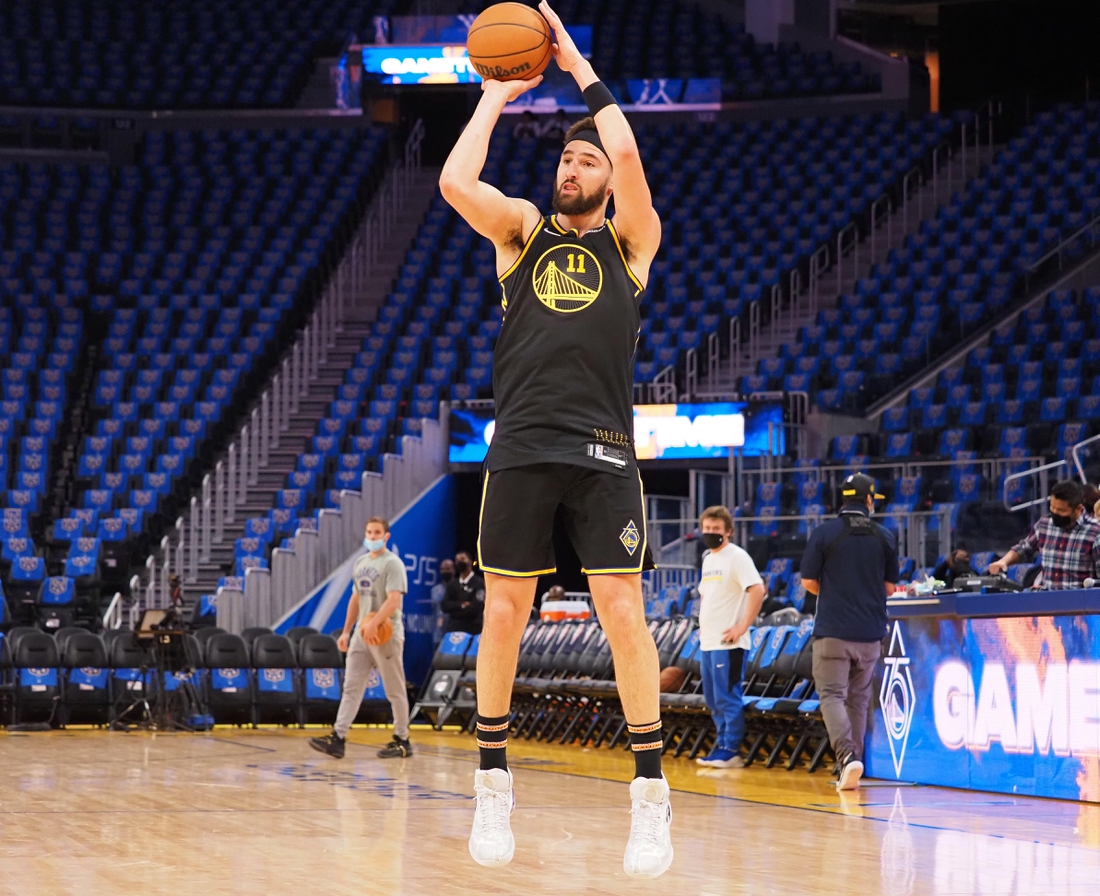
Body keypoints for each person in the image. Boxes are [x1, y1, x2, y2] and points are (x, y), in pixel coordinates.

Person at [439, 1, 668, 877]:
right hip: (524, 444)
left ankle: (650, 796)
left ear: (606, 176)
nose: (572, 167)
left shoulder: (632, 243)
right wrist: (496, 97)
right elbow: (459, 184)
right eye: (566, 158)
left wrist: (579, 70)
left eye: (586, 159)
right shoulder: (522, 232)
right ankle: (492, 781)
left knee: (623, 615)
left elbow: (634, 153)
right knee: (506, 610)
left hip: (606, 448)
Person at [799, 473, 899, 792]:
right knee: (858, 699)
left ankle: (846, 757)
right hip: (870, 633)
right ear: (869, 501)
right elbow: (890, 587)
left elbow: (808, 582)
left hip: (833, 631)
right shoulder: (885, 536)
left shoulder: (825, 533)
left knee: (832, 695)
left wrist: (836, 593)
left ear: (842, 500)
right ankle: (857, 763)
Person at [309, 517, 412, 760]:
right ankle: (338, 737)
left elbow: (394, 600)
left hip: (386, 633)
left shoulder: (393, 564)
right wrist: (347, 631)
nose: (373, 537)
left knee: (394, 689)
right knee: (351, 687)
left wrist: (375, 624)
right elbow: (355, 600)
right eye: (369, 532)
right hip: (362, 634)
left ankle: (403, 740)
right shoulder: (360, 563)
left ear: (386, 536)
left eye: (377, 533)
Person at [694, 506, 765, 769]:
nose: (711, 533)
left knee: (727, 696)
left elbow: (757, 589)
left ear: (729, 532)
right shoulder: (708, 558)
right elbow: (706, 594)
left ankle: (731, 749)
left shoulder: (737, 557)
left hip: (730, 642)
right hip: (709, 641)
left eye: (716, 529)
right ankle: (720, 745)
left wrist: (743, 626)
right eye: (707, 529)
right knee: (712, 699)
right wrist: (703, 624)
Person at [988, 479, 1100, 590]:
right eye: (1052, 507)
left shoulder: (1095, 532)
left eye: (1061, 510)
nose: (1055, 512)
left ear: (1079, 509)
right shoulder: (1044, 525)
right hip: (1046, 602)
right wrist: (1003, 561)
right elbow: (1024, 549)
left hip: (1079, 603)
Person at [441, 551, 486, 634]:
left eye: (462, 559)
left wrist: (455, 610)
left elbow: (475, 608)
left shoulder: (479, 583)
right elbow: (445, 606)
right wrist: (462, 605)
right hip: (453, 629)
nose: (459, 562)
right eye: (457, 560)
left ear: (470, 561)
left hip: (472, 630)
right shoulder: (452, 584)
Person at [429, 559, 455, 647]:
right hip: (438, 634)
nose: (445, 571)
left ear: (454, 570)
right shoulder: (435, 590)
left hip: (454, 633)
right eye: (443, 569)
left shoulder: (459, 588)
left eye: (448, 569)